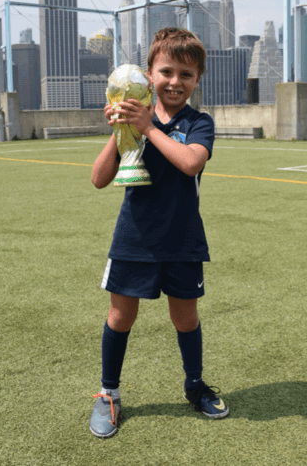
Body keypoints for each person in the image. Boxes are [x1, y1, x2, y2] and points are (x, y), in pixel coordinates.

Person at [89, 27, 228, 438]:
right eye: (166, 71)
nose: (175, 82)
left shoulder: (199, 122)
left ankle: (194, 385)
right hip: (134, 238)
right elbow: (98, 179)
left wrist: (149, 127)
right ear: (149, 74)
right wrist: (121, 130)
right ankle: (108, 394)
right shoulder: (130, 119)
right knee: (120, 316)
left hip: (183, 240)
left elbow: (190, 163)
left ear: (197, 80)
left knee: (185, 318)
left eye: (186, 74)